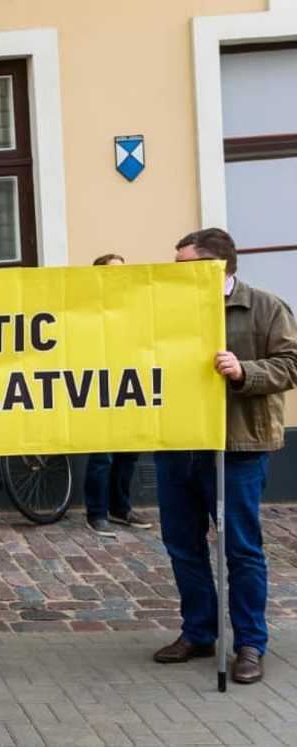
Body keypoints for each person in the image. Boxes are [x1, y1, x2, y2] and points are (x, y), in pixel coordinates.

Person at [152, 229, 297, 685]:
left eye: (184, 264)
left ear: (218, 266)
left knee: (241, 548)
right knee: (182, 544)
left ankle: (250, 642)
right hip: (179, 443)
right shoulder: (166, 306)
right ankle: (199, 631)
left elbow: (290, 364)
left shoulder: (266, 306)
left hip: (237, 446)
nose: (175, 272)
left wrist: (243, 371)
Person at [84, 253, 151, 538]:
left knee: (128, 453)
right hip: (100, 387)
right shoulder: (88, 309)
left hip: (131, 384)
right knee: (102, 456)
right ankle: (96, 513)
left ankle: (120, 508)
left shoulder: (135, 306)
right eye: (114, 272)